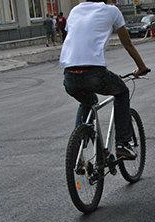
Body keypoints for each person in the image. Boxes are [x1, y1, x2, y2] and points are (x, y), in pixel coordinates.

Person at [60, 0, 149, 159]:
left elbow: (72, 40)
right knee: (121, 92)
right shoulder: (112, 11)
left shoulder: (74, 11)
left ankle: (77, 148)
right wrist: (141, 67)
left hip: (69, 75)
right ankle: (123, 143)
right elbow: (127, 44)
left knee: (87, 101)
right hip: (94, 72)